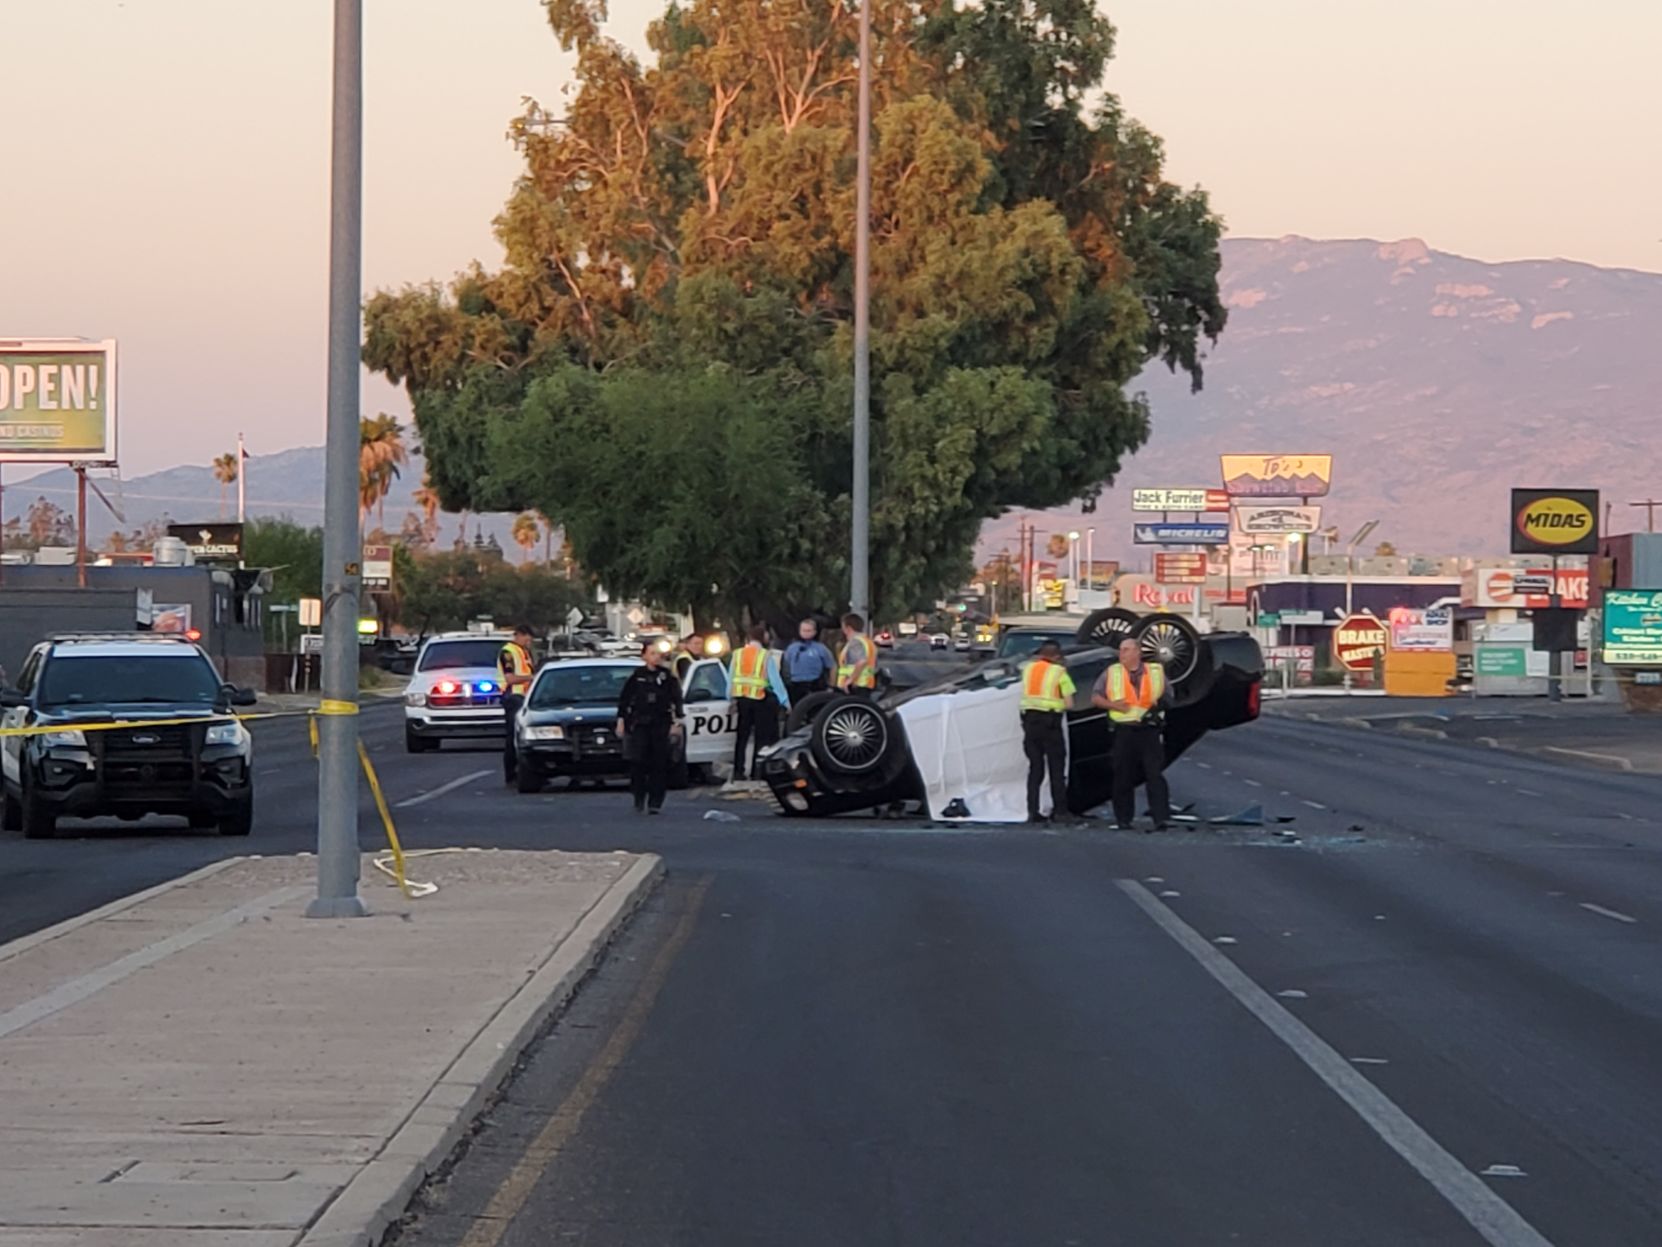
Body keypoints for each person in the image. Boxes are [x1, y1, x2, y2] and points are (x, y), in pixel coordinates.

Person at [1093, 636, 1171, 831]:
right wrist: (1113, 705)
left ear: (1138, 652)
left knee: (1154, 774)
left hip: (1149, 730)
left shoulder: (1156, 672)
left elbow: (1170, 696)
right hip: (1124, 730)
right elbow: (1096, 696)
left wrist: (1159, 707)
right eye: (1121, 650)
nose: (1122, 654)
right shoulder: (1112, 672)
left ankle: (1160, 817)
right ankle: (1123, 819)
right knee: (1122, 776)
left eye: (1126, 650)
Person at [616, 640, 684, 814]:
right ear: (644, 656)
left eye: (658, 653)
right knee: (638, 762)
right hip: (640, 725)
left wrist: (676, 723)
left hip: (660, 724)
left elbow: (676, 700)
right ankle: (639, 797)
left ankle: (655, 802)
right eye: (652, 653)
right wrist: (621, 721)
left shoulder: (667, 677)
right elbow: (625, 701)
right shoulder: (637, 676)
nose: (656, 657)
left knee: (659, 764)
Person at [1019, 639, 1077, 824]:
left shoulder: (1029, 669)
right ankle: (1060, 811)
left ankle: (1032, 811)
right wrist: (1057, 704)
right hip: (1050, 724)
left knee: (1035, 769)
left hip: (1030, 723)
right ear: (1057, 656)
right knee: (1056, 769)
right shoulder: (1060, 673)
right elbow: (1069, 704)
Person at [728, 624, 790, 782]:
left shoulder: (737, 654)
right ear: (763, 637)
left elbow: (730, 678)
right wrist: (785, 701)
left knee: (742, 737)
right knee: (761, 738)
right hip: (760, 699)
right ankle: (757, 772)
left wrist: (730, 698)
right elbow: (775, 680)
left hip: (742, 699)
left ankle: (738, 772)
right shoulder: (764, 655)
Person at [498, 624, 537, 783]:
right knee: (513, 736)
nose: (529, 642)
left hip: (525, 698)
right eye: (527, 639)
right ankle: (511, 773)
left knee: (524, 735)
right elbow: (510, 678)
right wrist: (532, 678)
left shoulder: (523, 652)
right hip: (513, 697)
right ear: (519, 635)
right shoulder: (508, 652)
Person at [783, 617, 837, 706]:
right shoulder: (792, 648)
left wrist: (831, 686)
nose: (806, 633)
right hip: (795, 685)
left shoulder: (821, 648)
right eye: (803, 630)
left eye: (809, 631)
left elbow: (832, 666)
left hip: (815, 684)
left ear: (815, 632)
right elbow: (786, 666)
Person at [836, 612, 879, 696]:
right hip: (865, 684)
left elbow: (862, 661)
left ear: (848, 628)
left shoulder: (856, 642)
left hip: (854, 686)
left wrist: (850, 680)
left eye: (843, 626)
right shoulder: (868, 641)